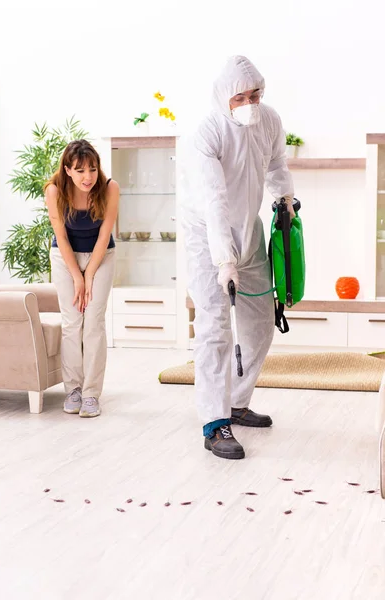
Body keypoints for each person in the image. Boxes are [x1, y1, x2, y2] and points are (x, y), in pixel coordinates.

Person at [180, 55, 295, 459]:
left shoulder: (269, 121)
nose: (250, 103)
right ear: (223, 98)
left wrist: (284, 198)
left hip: (249, 231)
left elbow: (277, 162)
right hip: (206, 239)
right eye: (240, 97)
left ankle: (237, 402)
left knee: (262, 321)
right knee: (215, 329)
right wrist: (223, 260)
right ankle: (215, 424)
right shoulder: (207, 134)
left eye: (256, 94)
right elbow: (213, 201)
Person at [45, 139, 119, 417]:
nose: (88, 177)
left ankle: (90, 394)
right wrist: (77, 276)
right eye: (80, 171)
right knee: (72, 323)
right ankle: (73, 390)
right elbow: (61, 237)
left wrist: (90, 274)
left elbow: (105, 234)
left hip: (102, 256)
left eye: (92, 169)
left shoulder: (110, 187)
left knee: (94, 324)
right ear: (67, 170)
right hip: (66, 258)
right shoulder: (54, 191)